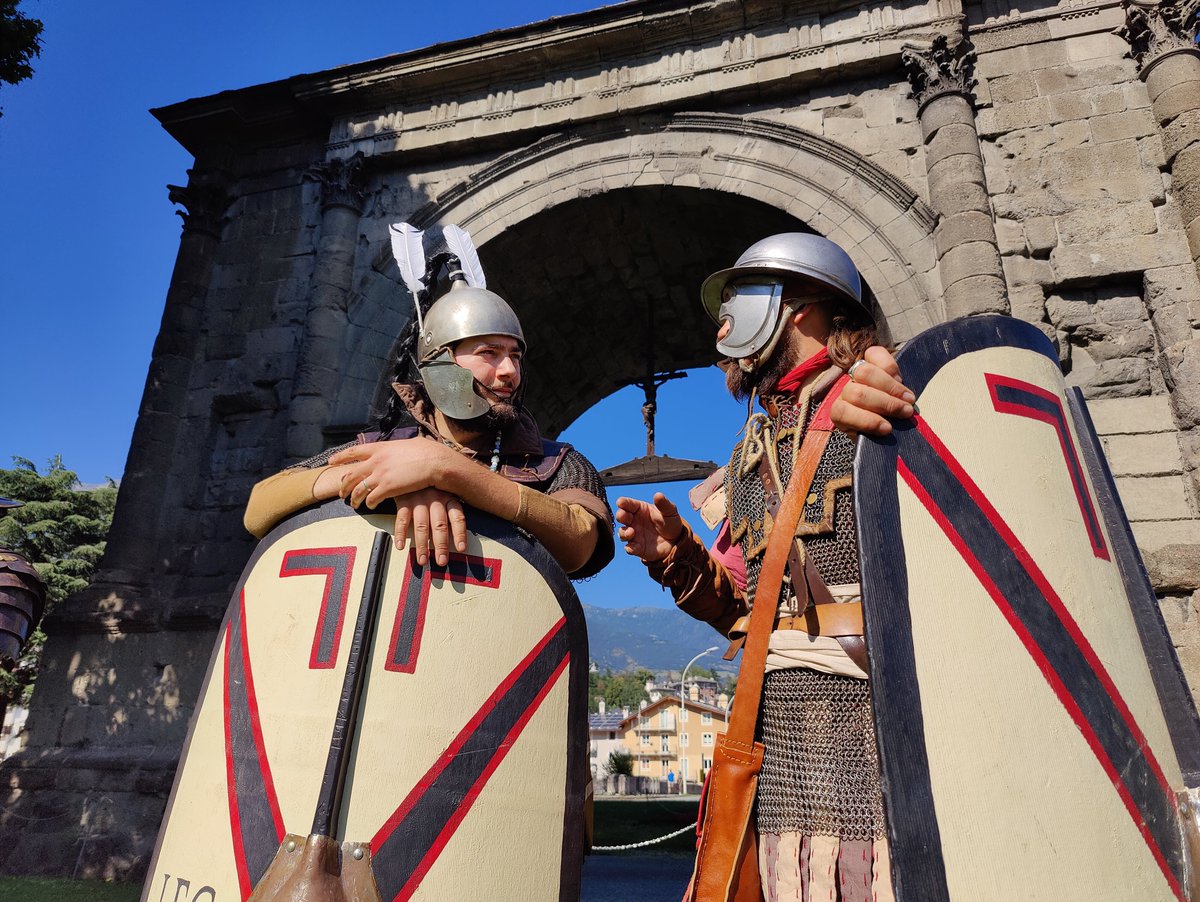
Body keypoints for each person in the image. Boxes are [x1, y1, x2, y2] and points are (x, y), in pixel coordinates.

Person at [615, 233, 905, 901]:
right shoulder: (751, 454)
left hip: (875, 740)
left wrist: (888, 379)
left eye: (734, 304)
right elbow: (748, 613)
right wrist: (679, 562)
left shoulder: (874, 402)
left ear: (800, 308)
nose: (720, 327)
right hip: (781, 750)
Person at [244, 246, 614, 581]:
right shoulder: (385, 450)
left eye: (515, 356)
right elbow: (260, 504)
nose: (509, 372)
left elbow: (579, 543)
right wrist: (387, 485)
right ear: (439, 362)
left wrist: (445, 471)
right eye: (490, 353)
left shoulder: (555, 462)